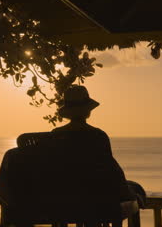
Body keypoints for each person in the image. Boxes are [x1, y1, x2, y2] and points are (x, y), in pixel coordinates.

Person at [52, 85, 140, 219]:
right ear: (88, 110)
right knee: (135, 190)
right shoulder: (97, 136)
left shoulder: (55, 135)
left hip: (64, 200)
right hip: (97, 201)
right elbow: (112, 170)